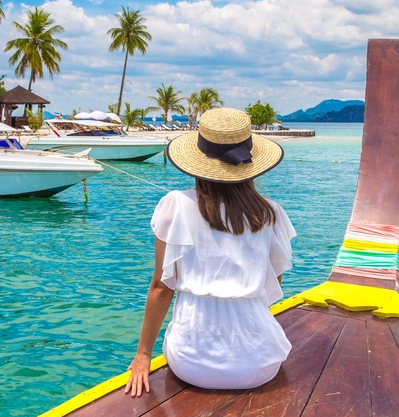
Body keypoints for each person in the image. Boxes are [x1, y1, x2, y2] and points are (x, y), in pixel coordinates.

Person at [125, 107, 295, 396]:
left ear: (197, 161)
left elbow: (161, 288)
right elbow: (273, 285)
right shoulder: (269, 213)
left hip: (193, 361)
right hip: (259, 362)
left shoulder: (175, 204)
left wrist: (142, 356)